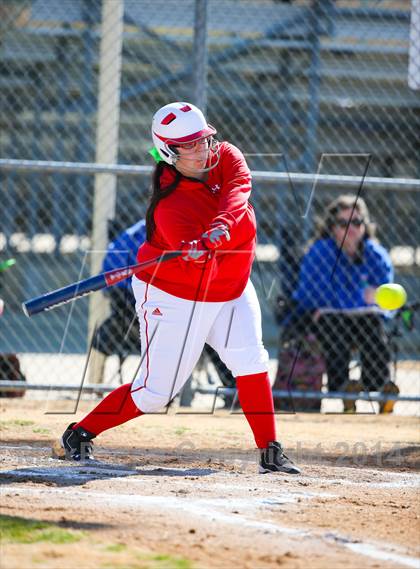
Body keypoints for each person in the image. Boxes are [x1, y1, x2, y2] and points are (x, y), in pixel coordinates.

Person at [54, 101, 300, 474]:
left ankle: (270, 450)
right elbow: (201, 265)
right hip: (173, 295)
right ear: (168, 152)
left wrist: (219, 227)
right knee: (155, 393)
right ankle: (78, 434)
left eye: (203, 139)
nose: (203, 148)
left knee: (251, 361)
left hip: (231, 289)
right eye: (190, 144)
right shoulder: (170, 208)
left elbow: (239, 188)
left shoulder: (226, 156)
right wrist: (196, 250)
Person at [291, 194, 398, 413]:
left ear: (365, 226)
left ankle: (378, 389)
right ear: (332, 228)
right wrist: (361, 296)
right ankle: (344, 389)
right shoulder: (319, 252)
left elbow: (386, 299)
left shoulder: (376, 255)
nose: (351, 229)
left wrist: (375, 302)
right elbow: (315, 295)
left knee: (373, 327)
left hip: (363, 318)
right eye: (343, 223)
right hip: (327, 318)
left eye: (357, 222)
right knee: (335, 324)